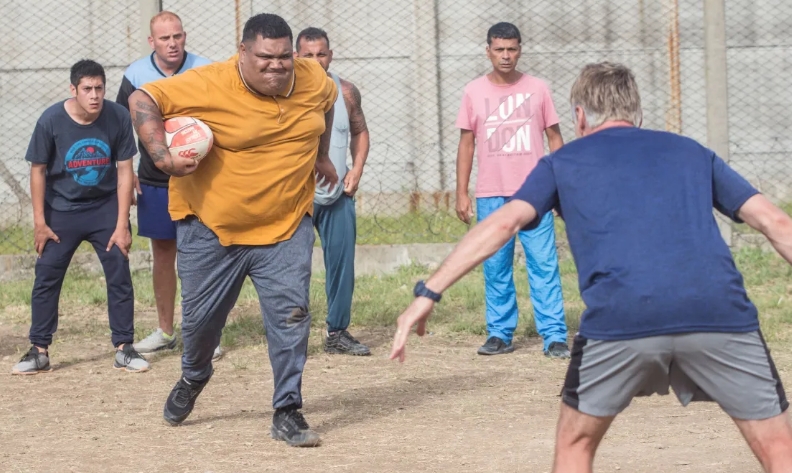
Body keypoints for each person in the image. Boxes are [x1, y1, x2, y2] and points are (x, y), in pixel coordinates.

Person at [390, 62, 792, 472]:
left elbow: (503, 222)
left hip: (622, 317)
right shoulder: (691, 151)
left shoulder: (561, 163)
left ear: (579, 116)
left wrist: (429, 293)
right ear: (637, 113)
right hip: (719, 314)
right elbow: (776, 224)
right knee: (780, 448)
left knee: (575, 443)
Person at [127, 13, 338, 447]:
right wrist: (162, 157)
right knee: (201, 325)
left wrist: (321, 153)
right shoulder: (208, 83)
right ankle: (194, 374)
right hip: (211, 229)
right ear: (242, 52)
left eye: (284, 57)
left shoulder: (312, 78)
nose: (276, 66)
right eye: (265, 57)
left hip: (285, 226)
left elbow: (328, 104)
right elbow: (141, 99)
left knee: (291, 316)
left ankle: (287, 410)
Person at [12, 60, 149, 375]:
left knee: (119, 269)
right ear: (73, 90)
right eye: (87, 88)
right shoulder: (51, 120)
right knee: (47, 275)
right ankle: (39, 350)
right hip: (61, 209)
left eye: (99, 87)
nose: (95, 95)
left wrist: (121, 225)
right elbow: (37, 171)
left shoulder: (116, 116)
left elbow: (125, 170)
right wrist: (40, 222)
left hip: (104, 208)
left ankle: (125, 347)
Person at [455, 22, 569, 358]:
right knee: (495, 265)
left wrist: (560, 187)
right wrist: (462, 192)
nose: (506, 56)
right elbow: (466, 144)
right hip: (491, 193)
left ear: (520, 50)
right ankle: (500, 333)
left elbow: (555, 138)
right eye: (500, 49)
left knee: (544, 264)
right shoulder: (473, 92)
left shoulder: (538, 89)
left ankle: (554, 335)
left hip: (535, 194)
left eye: (512, 49)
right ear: (488, 50)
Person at [115, 11, 221, 361]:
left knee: (204, 255)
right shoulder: (135, 75)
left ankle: (205, 333)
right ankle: (165, 330)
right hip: (155, 181)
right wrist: (127, 179)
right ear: (152, 42)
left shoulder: (206, 68)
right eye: (164, 38)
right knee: (163, 254)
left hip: (202, 180)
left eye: (177, 36)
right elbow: (120, 132)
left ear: (185, 36)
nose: (172, 43)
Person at [294, 27, 371, 356]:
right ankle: (292, 335)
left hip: (338, 195)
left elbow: (360, 132)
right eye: (308, 55)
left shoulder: (346, 91)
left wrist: (356, 169)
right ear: (296, 56)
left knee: (342, 266)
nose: (315, 60)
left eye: (321, 54)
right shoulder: (283, 91)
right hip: (297, 198)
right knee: (293, 267)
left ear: (330, 55)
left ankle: (337, 332)